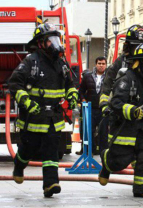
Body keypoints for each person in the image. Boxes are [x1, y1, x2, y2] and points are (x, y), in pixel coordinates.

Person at [8, 23, 78, 197]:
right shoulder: (31, 61)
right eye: (50, 40)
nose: (54, 43)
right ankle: (19, 164)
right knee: (29, 149)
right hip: (33, 116)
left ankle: (51, 184)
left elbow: (70, 83)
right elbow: (14, 83)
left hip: (53, 117)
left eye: (55, 39)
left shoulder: (61, 63)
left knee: (51, 150)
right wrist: (27, 102)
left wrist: (72, 95)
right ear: (40, 43)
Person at [98, 42, 143, 198]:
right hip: (125, 127)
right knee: (119, 161)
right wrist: (132, 111)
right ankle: (106, 160)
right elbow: (116, 103)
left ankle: (142, 188)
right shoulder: (126, 79)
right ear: (139, 64)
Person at [78, 56, 107, 155]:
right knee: (88, 131)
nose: (101, 66)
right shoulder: (88, 76)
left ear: (106, 65)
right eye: (99, 63)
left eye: (103, 64)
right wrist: (83, 100)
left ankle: (104, 153)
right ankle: (89, 152)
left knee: (104, 132)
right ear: (96, 64)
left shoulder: (109, 77)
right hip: (90, 109)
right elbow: (81, 90)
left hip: (103, 109)